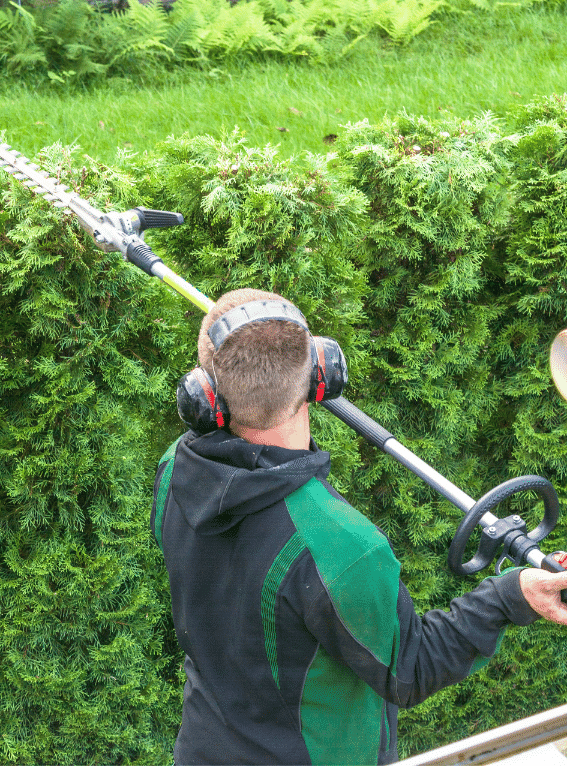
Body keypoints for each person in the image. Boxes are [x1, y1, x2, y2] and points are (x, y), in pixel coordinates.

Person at [150, 287, 567, 766]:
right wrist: (512, 595)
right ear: (322, 375)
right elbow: (409, 667)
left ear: (203, 396)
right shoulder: (341, 546)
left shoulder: (175, 471)